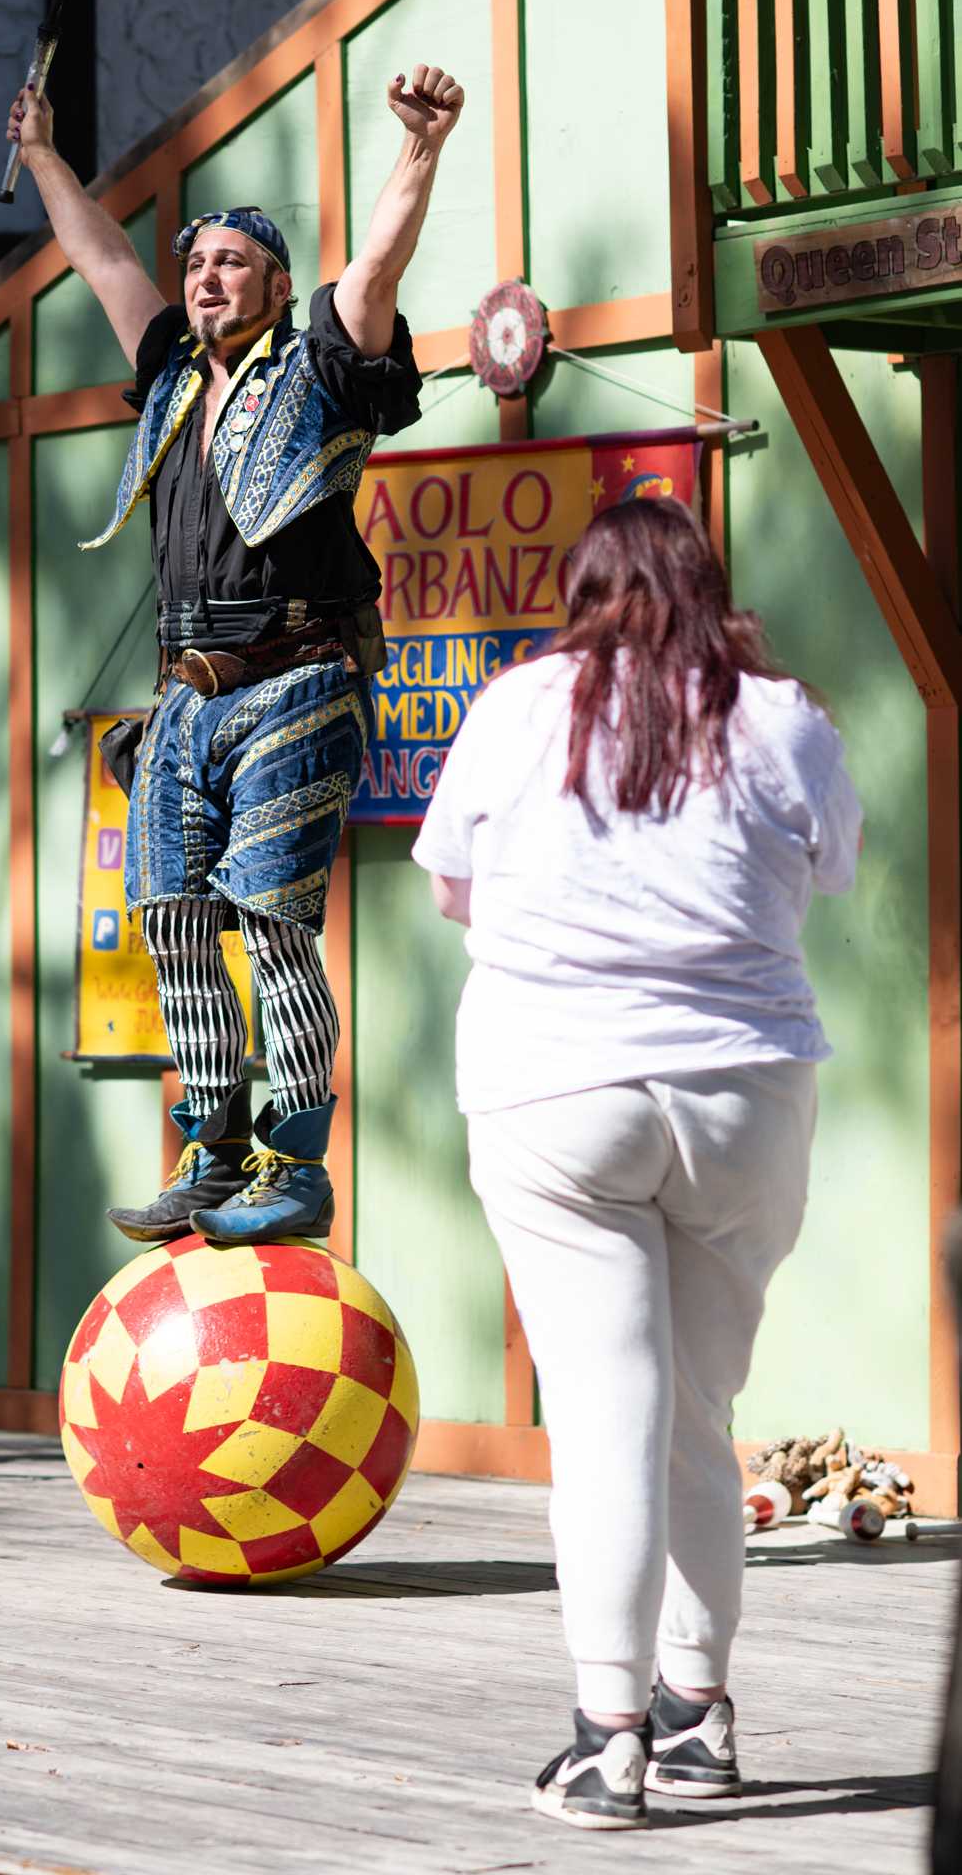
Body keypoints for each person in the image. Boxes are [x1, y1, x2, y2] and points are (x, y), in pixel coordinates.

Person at [411, 496, 862, 1832]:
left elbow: (447, 886)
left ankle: (606, 1737)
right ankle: (696, 1716)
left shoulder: (515, 706)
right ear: (702, 588)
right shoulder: (782, 713)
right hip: (745, 1097)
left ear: (584, 590)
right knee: (693, 1421)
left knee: (605, 1413)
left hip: (555, 1092)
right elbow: (833, 868)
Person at [8, 62, 462, 1243]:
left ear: (273, 284)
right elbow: (106, 258)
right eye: (197, 261)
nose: (206, 276)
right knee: (168, 916)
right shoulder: (168, 376)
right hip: (181, 701)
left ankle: (297, 1159)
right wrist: (49, 154)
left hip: (295, 680)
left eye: (232, 262)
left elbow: (376, 271)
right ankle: (212, 1145)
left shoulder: (319, 360)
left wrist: (417, 149)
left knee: (270, 922)